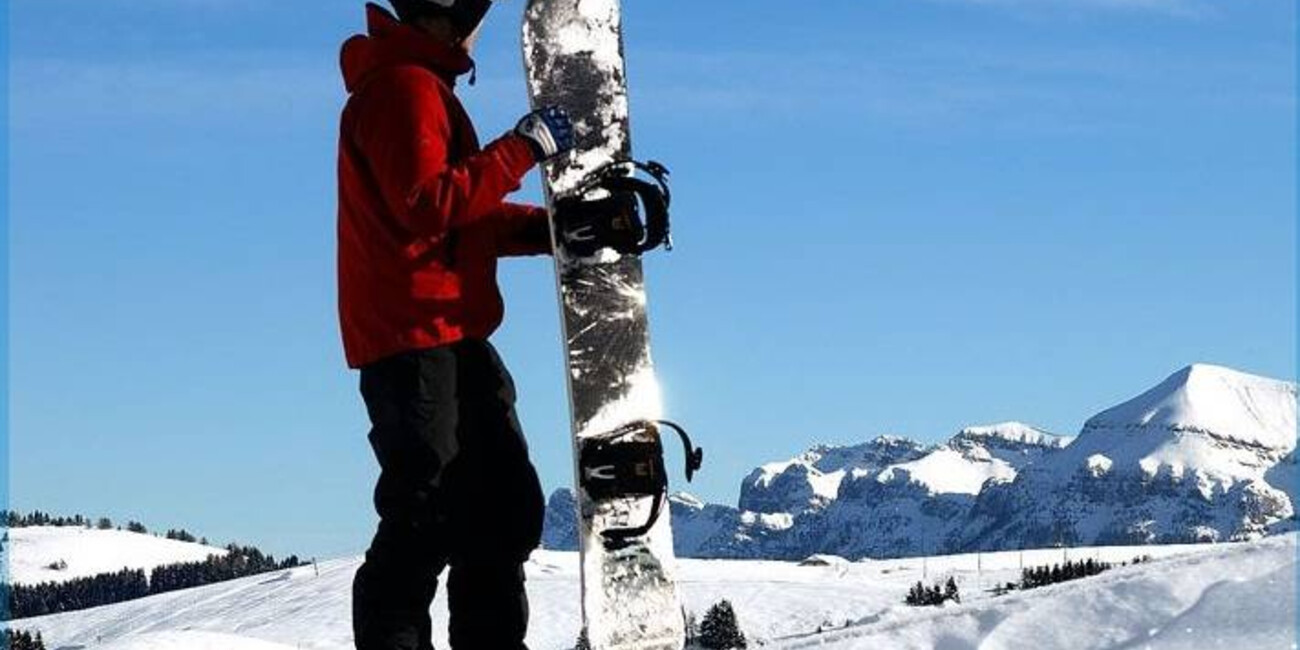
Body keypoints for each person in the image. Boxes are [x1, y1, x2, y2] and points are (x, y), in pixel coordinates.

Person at [335, 1, 577, 648]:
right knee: (427, 513)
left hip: (451, 333)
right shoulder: (403, 88)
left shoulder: (422, 86)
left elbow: (460, 218)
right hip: (413, 339)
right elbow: (427, 204)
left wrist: (555, 231)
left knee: (502, 509)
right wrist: (522, 148)